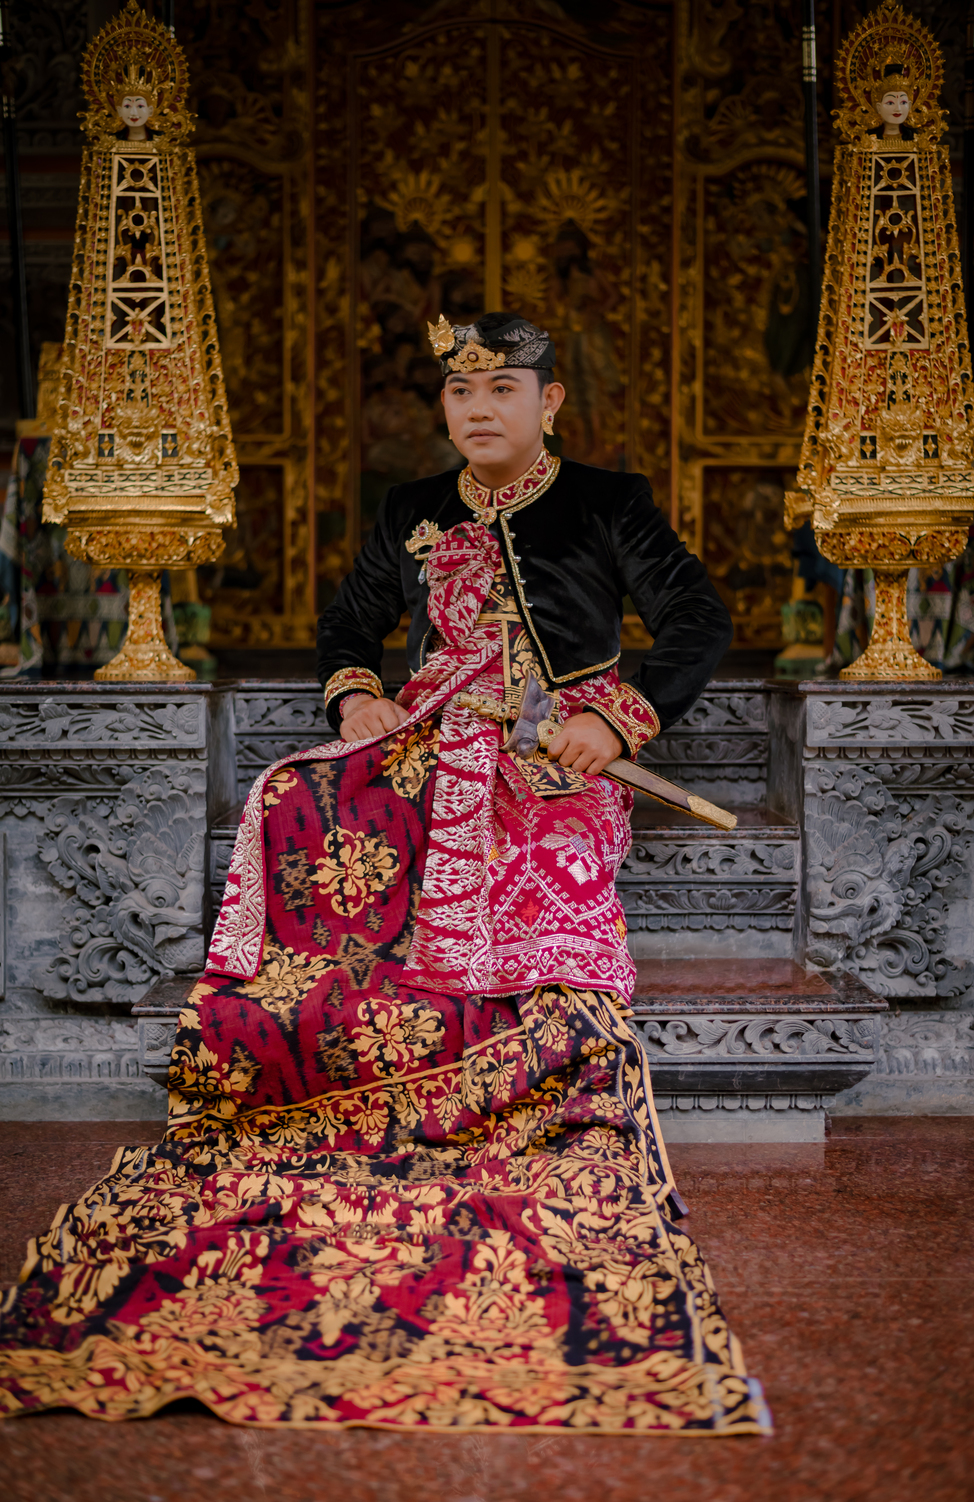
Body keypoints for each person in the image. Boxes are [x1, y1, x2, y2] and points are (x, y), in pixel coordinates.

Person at [0, 313, 770, 1437]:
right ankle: (321, 1049)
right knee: (293, 797)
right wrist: (357, 691)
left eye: (502, 389)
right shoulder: (408, 506)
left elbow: (696, 618)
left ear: (549, 402)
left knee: (538, 850)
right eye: (460, 392)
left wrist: (615, 718)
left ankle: (521, 1062)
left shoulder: (608, 501)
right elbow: (349, 623)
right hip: (425, 737)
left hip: (553, 755)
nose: (478, 409)